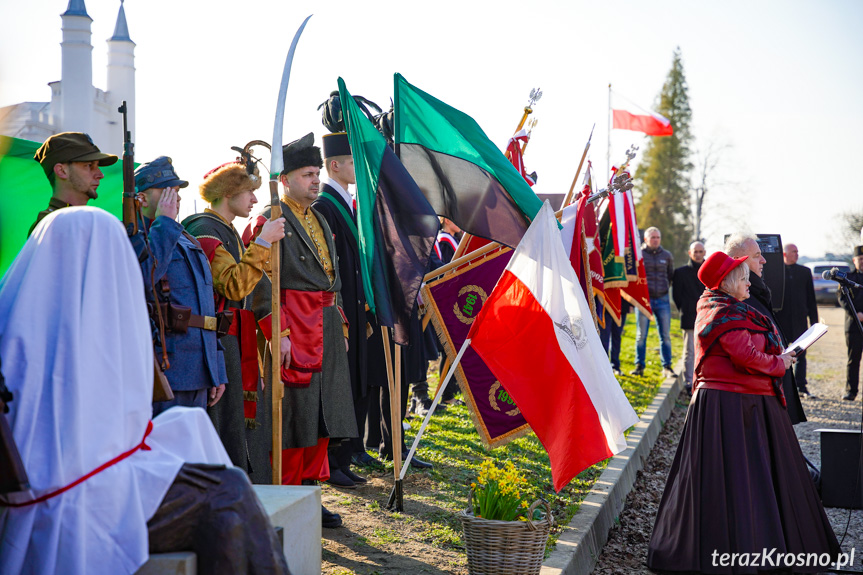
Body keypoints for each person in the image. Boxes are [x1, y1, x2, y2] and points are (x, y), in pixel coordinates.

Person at [0, 207, 289, 575]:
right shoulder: (74, 336)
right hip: (71, 501)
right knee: (226, 495)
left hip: (66, 482)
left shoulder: (17, 322)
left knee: (195, 437)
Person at [646, 251, 840, 573]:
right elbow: (745, 356)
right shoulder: (720, 312)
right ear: (727, 282)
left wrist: (780, 354)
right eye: (743, 278)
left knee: (754, 480)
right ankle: (738, 552)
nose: (750, 283)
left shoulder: (730, 308)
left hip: (747, 402)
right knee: (737, 481)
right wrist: (781, 362)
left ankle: (764, 547)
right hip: (729, 407)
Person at [248, 133, 357, 528]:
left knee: (323, 416)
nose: (315, 180)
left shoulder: (321, 219)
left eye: (316, 173)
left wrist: (340, 321)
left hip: (325, 324)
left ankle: (311, 492)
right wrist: (279, 333)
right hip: (294, 326)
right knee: (295, 417)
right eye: (307, 174)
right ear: (286, 179)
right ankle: (289, 494)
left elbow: (335, 279)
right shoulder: (269, 221)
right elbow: (261, 283)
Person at [182, 159, 286, 482]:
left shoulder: (228, 232)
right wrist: (265, 241)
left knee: (241, 429)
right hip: (216, 343)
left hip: (235, 341)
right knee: (224, 428)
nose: (255, 201)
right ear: (228, 194)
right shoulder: (204, 230)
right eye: (247, 193)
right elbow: (234, 285)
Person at [134, 156, 227, 416]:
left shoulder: (186, 239)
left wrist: (216, 366)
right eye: (165, 191)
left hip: (198, 368)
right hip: (164, 369)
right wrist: (164, 222)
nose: (174, 197)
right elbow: (143, 278)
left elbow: (205, 309)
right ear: (141, 198)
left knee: (192, 453)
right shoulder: (135, 236)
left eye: (176, 191)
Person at [312, 131, 375, 488]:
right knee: (342, 384)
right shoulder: (325, 207)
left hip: (355, 306)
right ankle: (334, 460)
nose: (356, 168)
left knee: (358, 382)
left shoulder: (347, 204)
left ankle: (349, 453)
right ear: (334, 166)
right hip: (339, 308)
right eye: (351, 162)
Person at [725, 233, 806, 424]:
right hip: (755, 398)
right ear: (738, 260)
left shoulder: (756, 291)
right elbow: (746, 355)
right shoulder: (740, 298)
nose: (764, 260)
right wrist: (778, 361)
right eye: (756, 256)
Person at [29, 131, 118, 235]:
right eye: (89, 165)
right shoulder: (51, 225)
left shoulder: (85, 221)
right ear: (62, 171)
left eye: (97, 166)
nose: (100, 174)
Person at [775, 243, 819, 397]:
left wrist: (815, 321)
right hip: (781, 321)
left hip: (800, 320)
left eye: (797, 251)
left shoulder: (805, 272)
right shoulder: (776, 272)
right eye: (794, 251)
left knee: (801, 354)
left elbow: (811, 299)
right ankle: (785, 387)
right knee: (782, 354)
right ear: (785, 254)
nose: (797, 254)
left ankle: (801, 386)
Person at [631, 226, 675, 378]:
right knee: (641, 335)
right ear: (646, 239)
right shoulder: (640, 255)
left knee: (665, 335)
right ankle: (639, 366)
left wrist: (663, 290)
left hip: (662, 300)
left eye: (658, 237)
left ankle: (667, 367)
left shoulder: (667, 256)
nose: (656, 240)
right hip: (644, 300)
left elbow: (670, 276)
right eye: (653, 237)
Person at [672, 241, 706, 393]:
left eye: (700, 251)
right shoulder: (680, 273)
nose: (698, 254)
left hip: (708, 317)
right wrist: (685, 309)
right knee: (690, 351)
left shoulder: (710, 269)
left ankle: (703, 379)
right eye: (695, 251)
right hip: (689, 316)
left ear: (704, 252)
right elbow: (676, 296)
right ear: (690, 253)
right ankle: (688, 382)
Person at [838, 245, 863, 401]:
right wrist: (857, 314)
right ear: (854, 260)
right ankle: (851, 391)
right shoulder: (847, 278)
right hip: (853, 325)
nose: (862, 262)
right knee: (853, 359)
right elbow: (843, 299)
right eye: (860, 259)